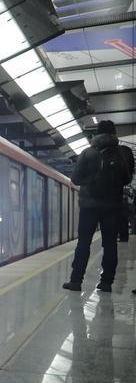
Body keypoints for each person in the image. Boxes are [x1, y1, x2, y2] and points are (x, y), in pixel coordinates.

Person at [63, 120, 133, 293]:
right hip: (112, 207)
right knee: (110, 244)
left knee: (83, 243)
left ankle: (76, 281)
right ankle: (106, 283)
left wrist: (90, 181)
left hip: (89, 206)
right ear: (114, 134)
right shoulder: (121, 154)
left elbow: (75, 179)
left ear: (96, 134)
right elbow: (126, 178)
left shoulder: (87, 153)